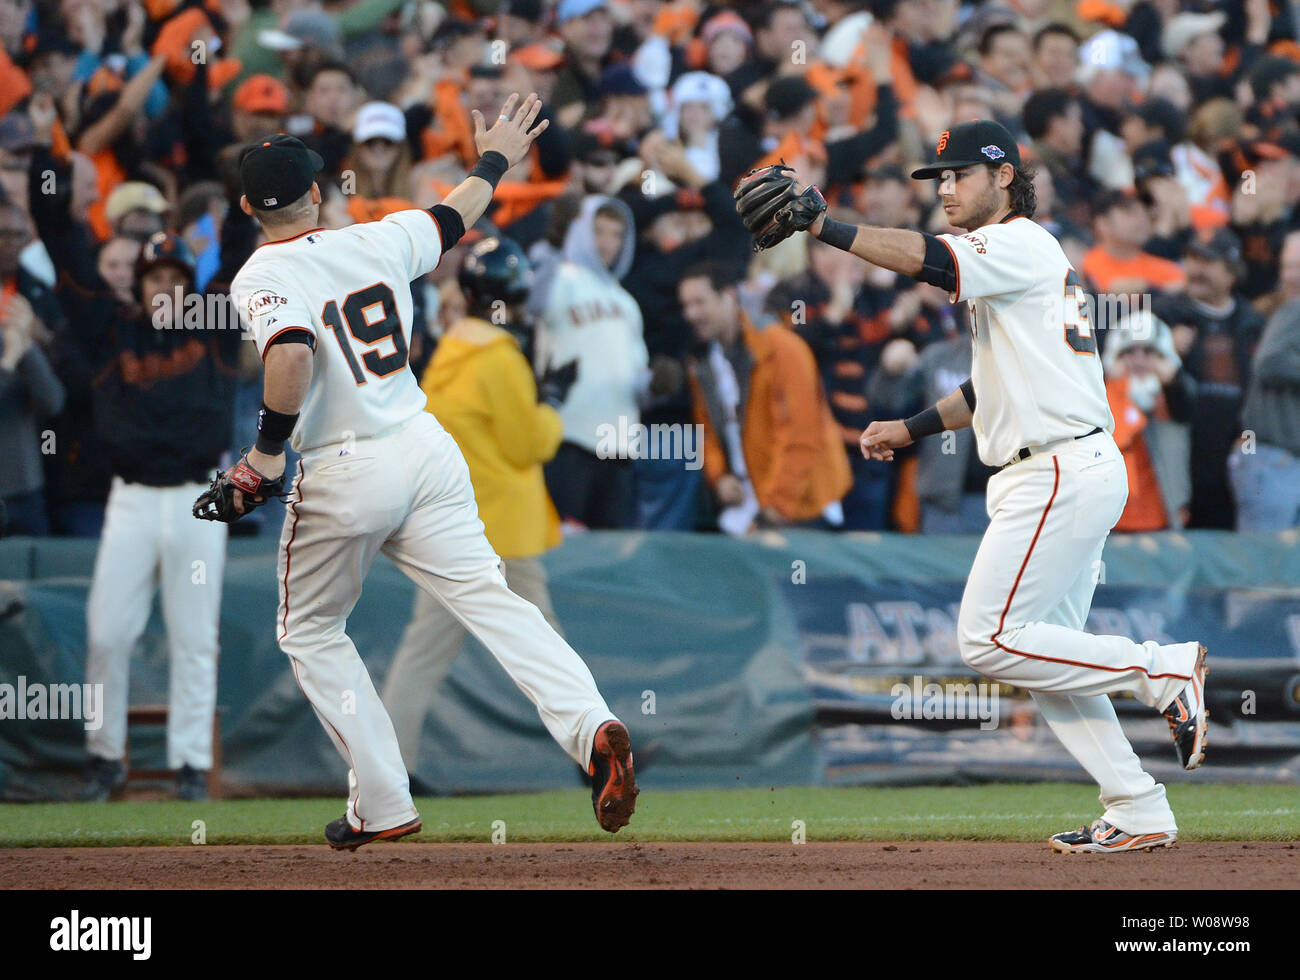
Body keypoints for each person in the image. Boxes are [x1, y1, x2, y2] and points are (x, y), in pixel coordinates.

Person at [739, 120, 1208, 853]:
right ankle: (1138, 805)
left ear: (1004, 176)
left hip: (1056, 470)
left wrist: (824, 224)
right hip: (1066, 464)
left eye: (959, 174)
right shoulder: (1022, 261)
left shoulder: (1018, 241)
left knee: (987, 640)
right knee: (1048, 659)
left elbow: (925, 260)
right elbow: (989, 387)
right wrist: (914, 426)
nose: (947, 188)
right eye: (940, 177)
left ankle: (1162, 670)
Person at [211, 96, 637, 850]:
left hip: (344, 464)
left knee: (311, 630)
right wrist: (496, 157)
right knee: (492, 600)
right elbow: (457, 214)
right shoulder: (381, 238)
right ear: (318, 192)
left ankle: (381, 802)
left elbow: (290, 351)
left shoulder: (260, 272)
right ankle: (590, 723)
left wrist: (265, 456)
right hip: (423, 444)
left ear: (249, 206)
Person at [382, 235, 576, 782]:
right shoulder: (499, 357)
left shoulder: (450, 349)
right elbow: (528, 446)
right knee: (548, 651)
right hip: (503, 536)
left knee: (422, 655)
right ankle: (598, 754)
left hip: (451, 531)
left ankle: (389, 768)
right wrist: (554, 405)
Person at [80, 233, 238, 802]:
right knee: (107, 633)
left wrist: (245, 193)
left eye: (176, 276)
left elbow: (240, 250)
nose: (165, 287)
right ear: (140, 285)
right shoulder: (113, 331)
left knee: (195, 637)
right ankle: (104, 759)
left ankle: (191, 765)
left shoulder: (214, 328)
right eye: (154, 277)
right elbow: (72, 259)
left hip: (199, 499)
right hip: (132, 498)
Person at [679, 261, 850, 534]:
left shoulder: (783, 348)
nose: (691, 314)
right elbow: (708, 432)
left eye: (699, 302)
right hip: (748, 510)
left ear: (729, 296)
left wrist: (774, 510)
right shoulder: (701, 363)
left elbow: (802, 436)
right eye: (686, 305)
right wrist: (719, 477)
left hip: (801, 509)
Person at [537, 195, 647, 530]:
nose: (607, 243)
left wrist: (656, 384)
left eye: (616, 234)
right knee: (565, 552)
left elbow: (636, 377)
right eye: (599, 231)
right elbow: (533, 304)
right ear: (582, 231)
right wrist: (555, 246)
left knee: (610, 566)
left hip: (619, 446)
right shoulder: (562, 276)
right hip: (569, 437)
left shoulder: (627, 302)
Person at [1230, 230, 1300, 531]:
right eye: (1287, 266)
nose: (1289, 275)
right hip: (1272, 459)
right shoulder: (1297, 308)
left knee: (1283, 571)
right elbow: (1268, 362)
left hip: (1281, 459)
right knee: (1263, 567)